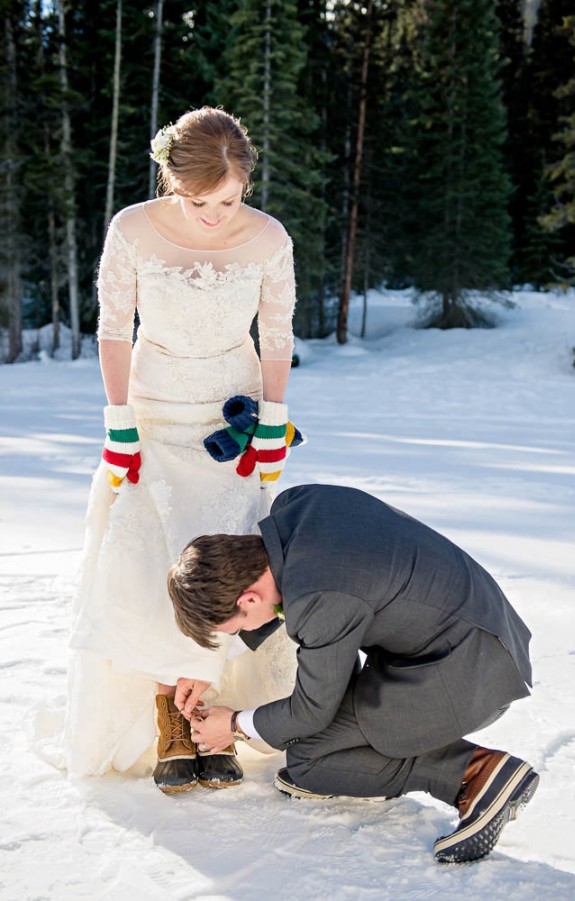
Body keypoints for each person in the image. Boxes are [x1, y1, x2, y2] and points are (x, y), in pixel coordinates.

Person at [65, 106, 299, 793]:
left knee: (227, 566)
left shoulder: (268, 238)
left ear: (246, 185)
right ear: (171, 179)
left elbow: (278, 334)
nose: (213, 215)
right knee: (151, 564)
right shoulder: (132, 228)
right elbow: (112, 329)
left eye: (227, 200)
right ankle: (168, 712)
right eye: (199, 201)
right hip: (153, 414)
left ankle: (211, 712)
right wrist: (118, 423)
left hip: (230, 420)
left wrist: (274, 423)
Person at [168, 483, 540, 864]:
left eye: (235, 628)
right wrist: (210, 667)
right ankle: (358, 764)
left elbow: (312, 710)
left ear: (248, 599)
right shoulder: (298, 506)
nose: (238, 634)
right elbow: (318, 602)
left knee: (310, 761)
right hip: (477, 633)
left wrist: (232, 724)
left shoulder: (320, 597)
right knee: (314, 738)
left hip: (468, 677)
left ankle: (477, 773)